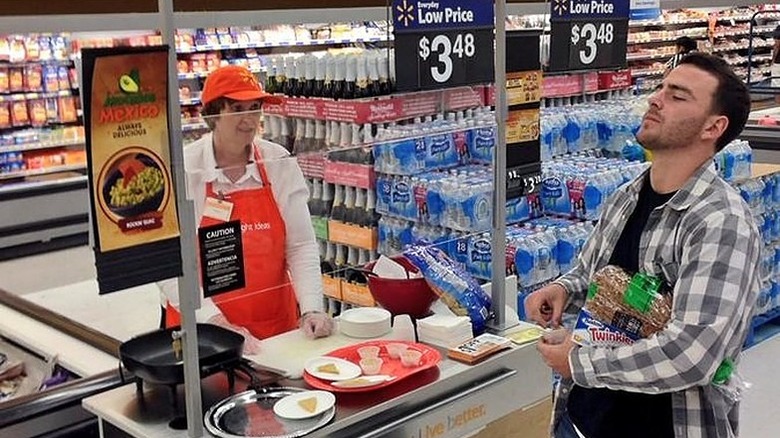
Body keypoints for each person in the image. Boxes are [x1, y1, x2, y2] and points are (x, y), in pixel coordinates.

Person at [525, 53, 759, 438]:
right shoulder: (625, 197)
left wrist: (580, 363)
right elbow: (591, 274)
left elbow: (691, 353)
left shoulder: (721, 222)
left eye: (678, 96)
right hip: (582, 419)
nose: (656, 99)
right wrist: (563, 288)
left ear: (713, 126)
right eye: (661, 88)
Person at [161, 65, 333, 352]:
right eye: (237, 108)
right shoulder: (184, 170)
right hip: (204, 329)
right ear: (213, 114)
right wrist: (214, 321)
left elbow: (300, 246)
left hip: (275, 328)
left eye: (255, 107)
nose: (249, 119)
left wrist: (312, 308)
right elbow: (168, 263)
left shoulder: (277, 162)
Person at [772, 25, 780, 103]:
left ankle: (778, 102)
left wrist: (773, 59)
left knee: (777, 83)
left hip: (778, 63)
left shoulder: (778, 31)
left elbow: (777, 46)